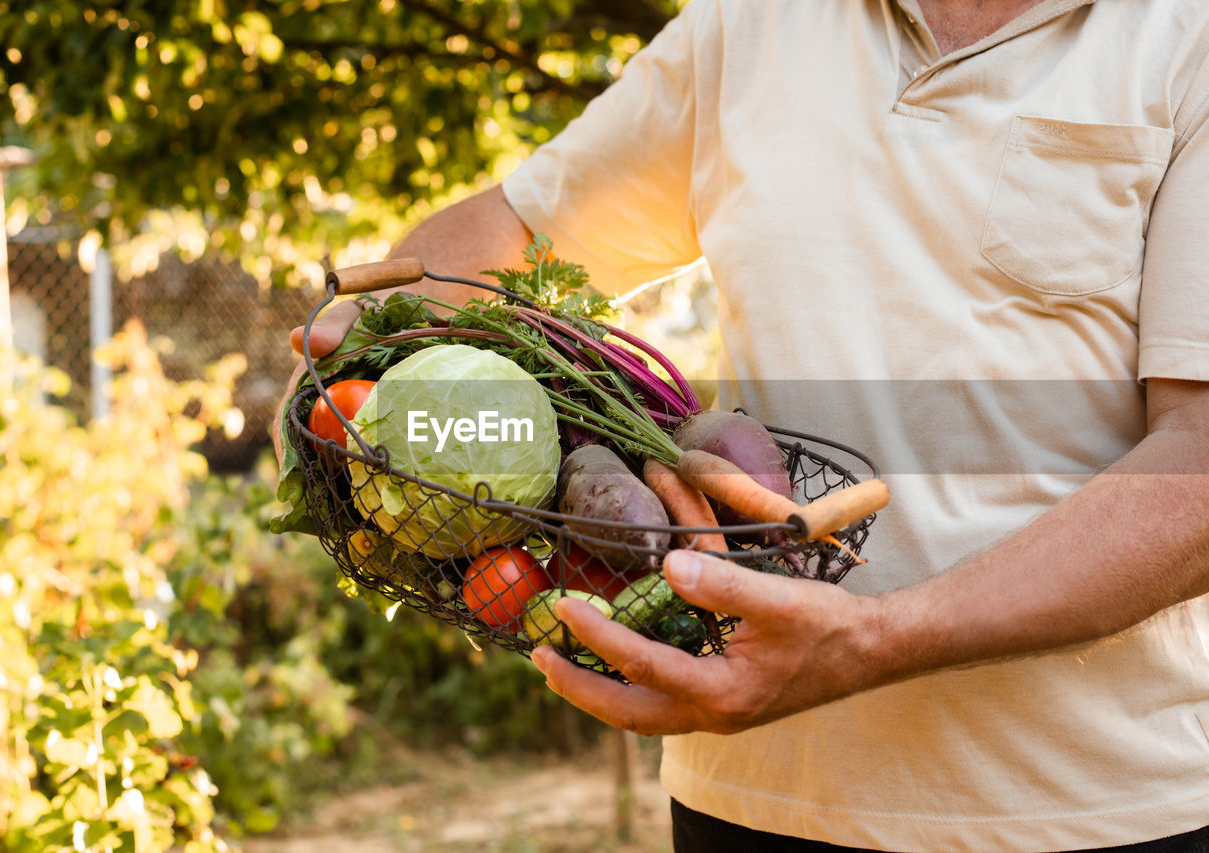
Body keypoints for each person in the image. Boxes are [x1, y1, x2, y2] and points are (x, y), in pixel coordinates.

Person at [277, 0, 1209, 849]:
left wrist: (874, 636)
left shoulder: (1184, 37)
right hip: (753, 791)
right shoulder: (751, 24)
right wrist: (375, 338)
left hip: (1090, 807)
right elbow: (526, 228)